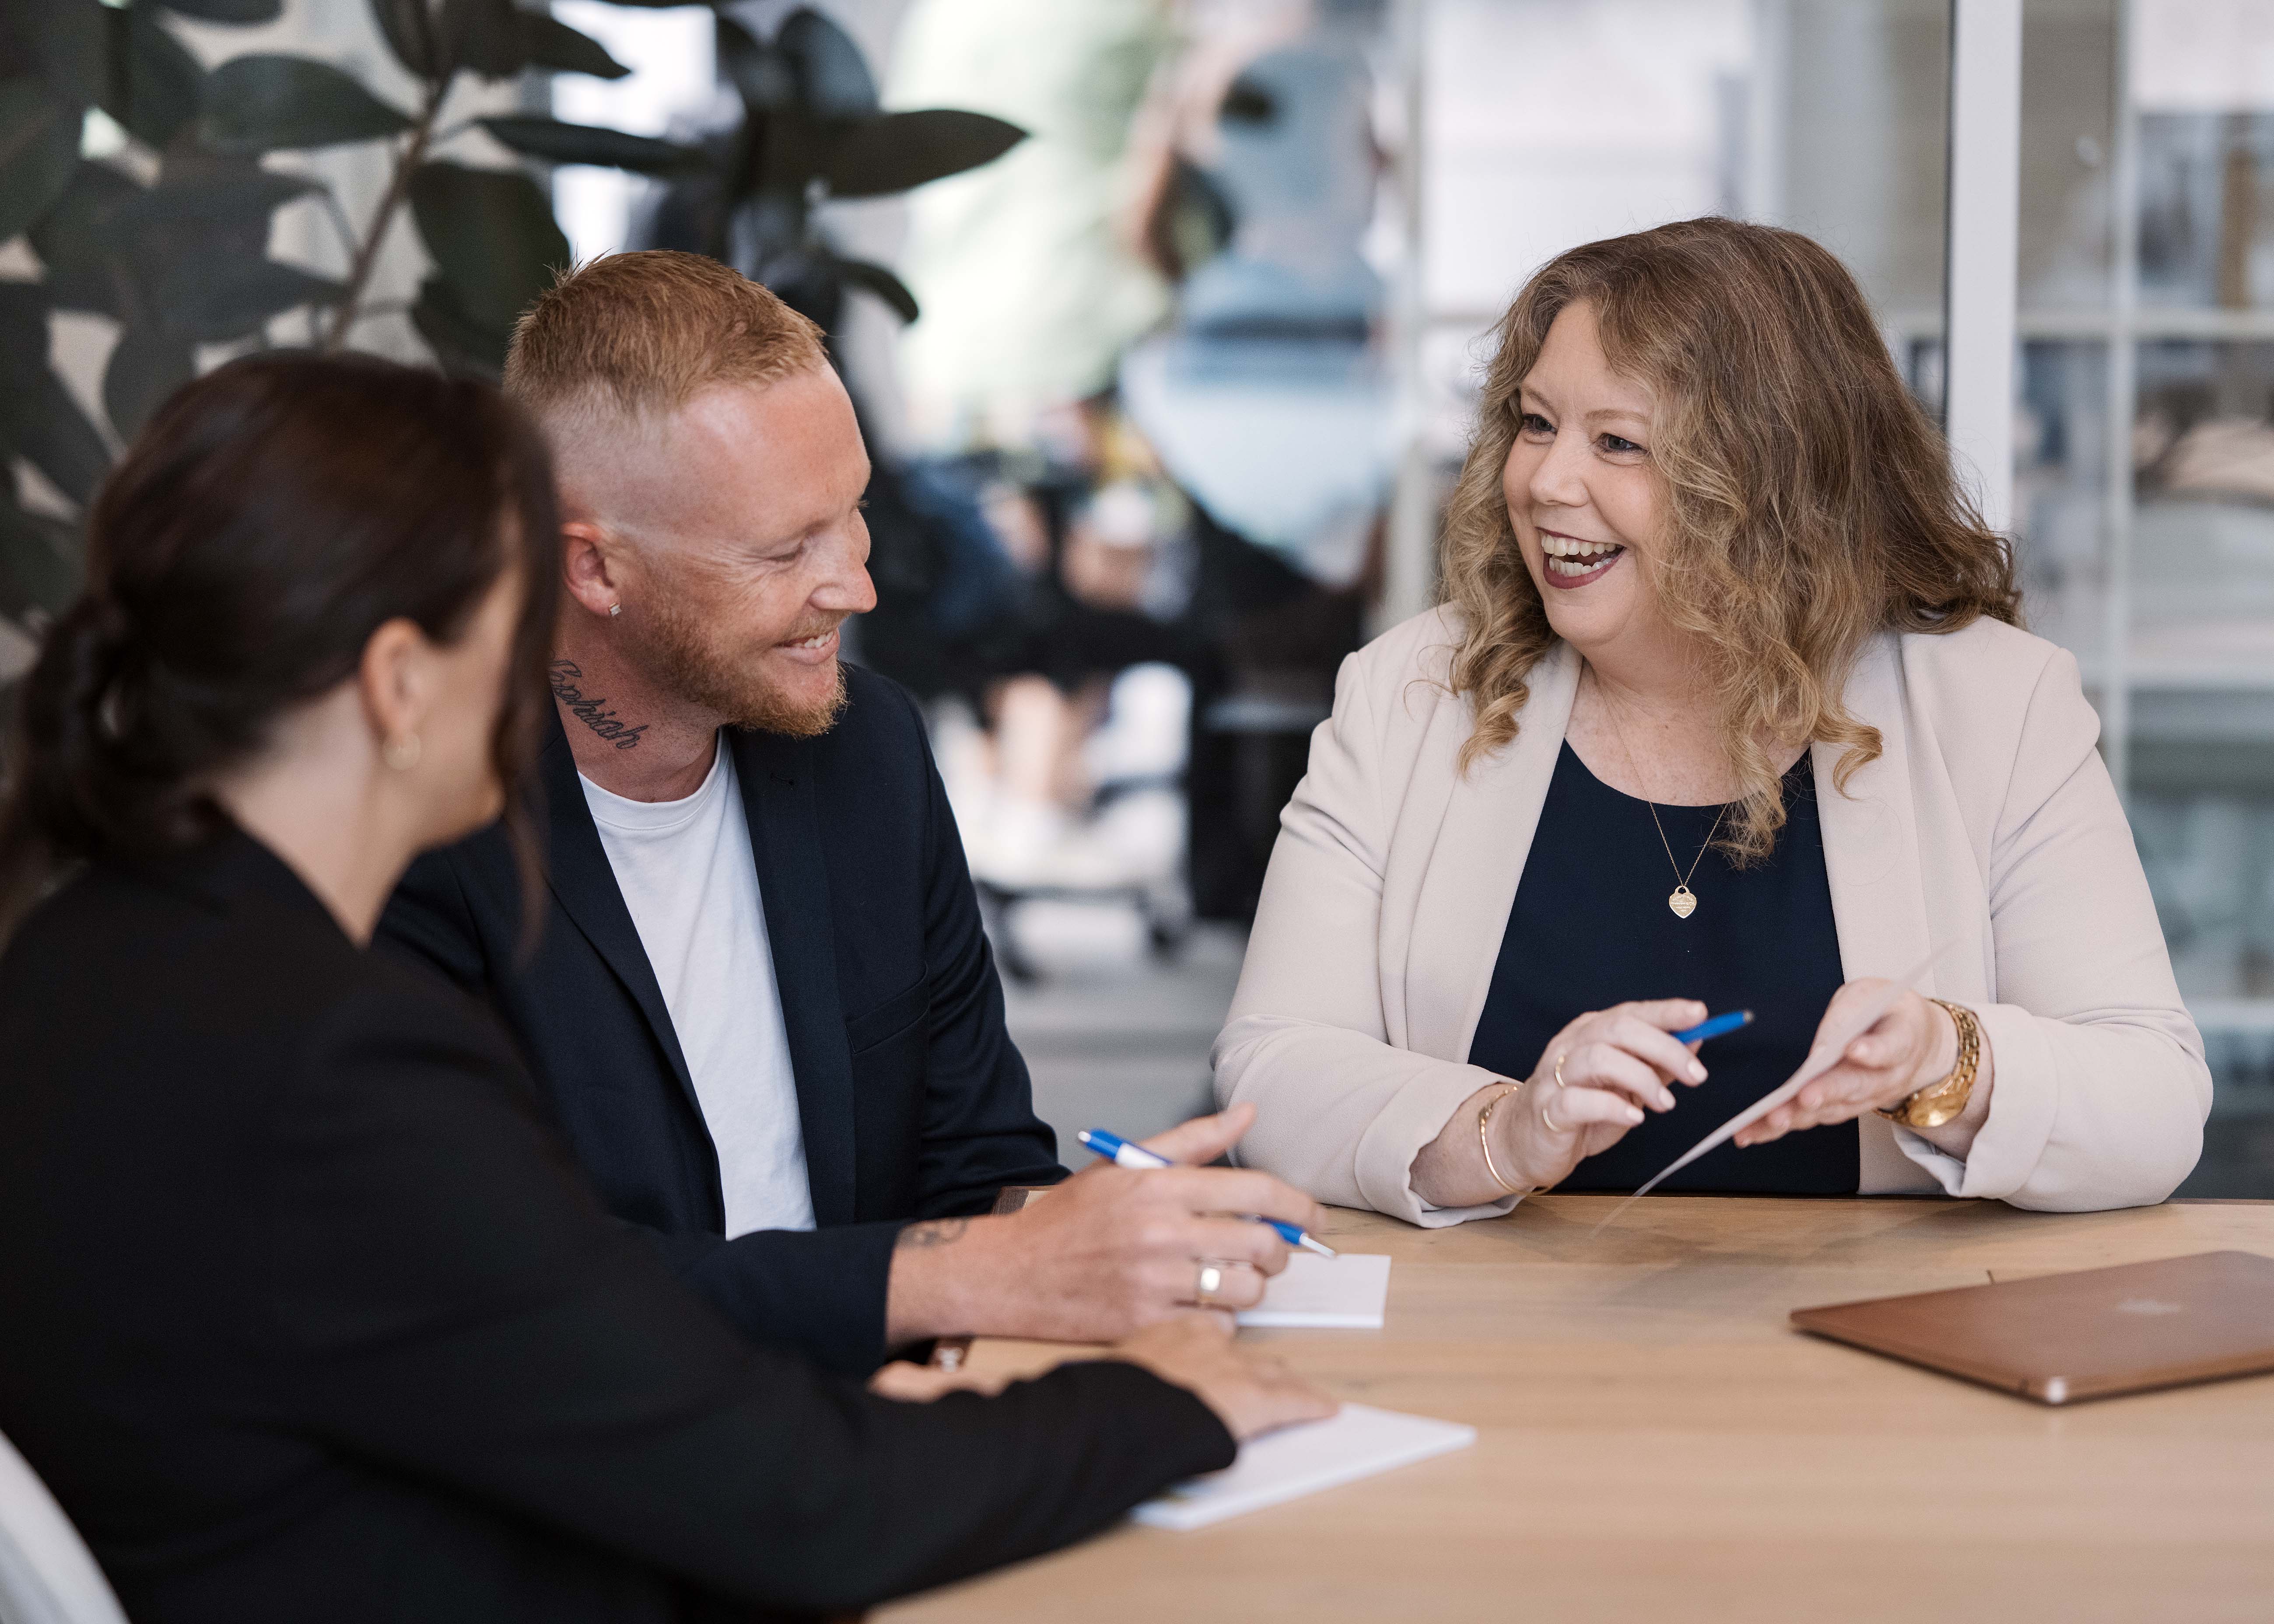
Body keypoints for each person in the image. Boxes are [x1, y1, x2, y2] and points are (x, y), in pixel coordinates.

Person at [0, 353, 1331, 1624]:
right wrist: (1166, 1405)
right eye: (515, 616)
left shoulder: (82, 961)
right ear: (402, 683)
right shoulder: (328, 1062)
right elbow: (804, 1512)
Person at [377, 250, 1324, 1372]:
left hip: (867, 1421)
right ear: (593, 568)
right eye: (785, 550)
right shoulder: (416, 828)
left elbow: (973, 1163)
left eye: (853, 514)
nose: (856, 586)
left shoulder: (862, 749)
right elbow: (507, 1298)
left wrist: (1101, 1235)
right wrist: (965, 1276)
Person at [1213, 217, 2211, 1224]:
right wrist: (1503, 1129)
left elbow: (2153, 1103)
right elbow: (1274, 1063)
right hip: (1492, 1348)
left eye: (1618, 442)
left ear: (1774, 483)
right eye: (1534, 423)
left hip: (1869, 1351)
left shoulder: (1997, 702)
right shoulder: (1411, 693)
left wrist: (1945, 1060)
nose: (1547, 483)